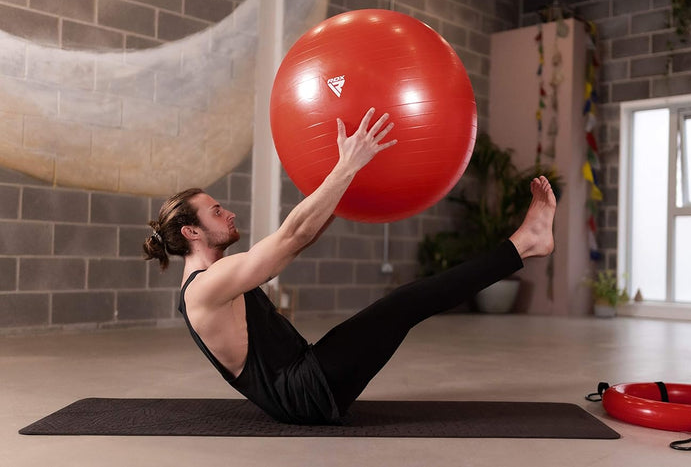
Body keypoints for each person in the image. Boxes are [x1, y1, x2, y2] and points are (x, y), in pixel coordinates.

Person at [143, 107, 556, 425]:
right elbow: (292, 236)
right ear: (191, 232)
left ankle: (526, 243)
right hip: (306, 395)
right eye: (216, 212)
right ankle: (525, 243)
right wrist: (346, 166)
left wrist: (347, 190)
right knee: (406, 302)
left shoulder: (215, 279)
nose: (229, 214)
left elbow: (295, 246)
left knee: (405, 304)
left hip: (307, 380)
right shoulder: (203, 289)